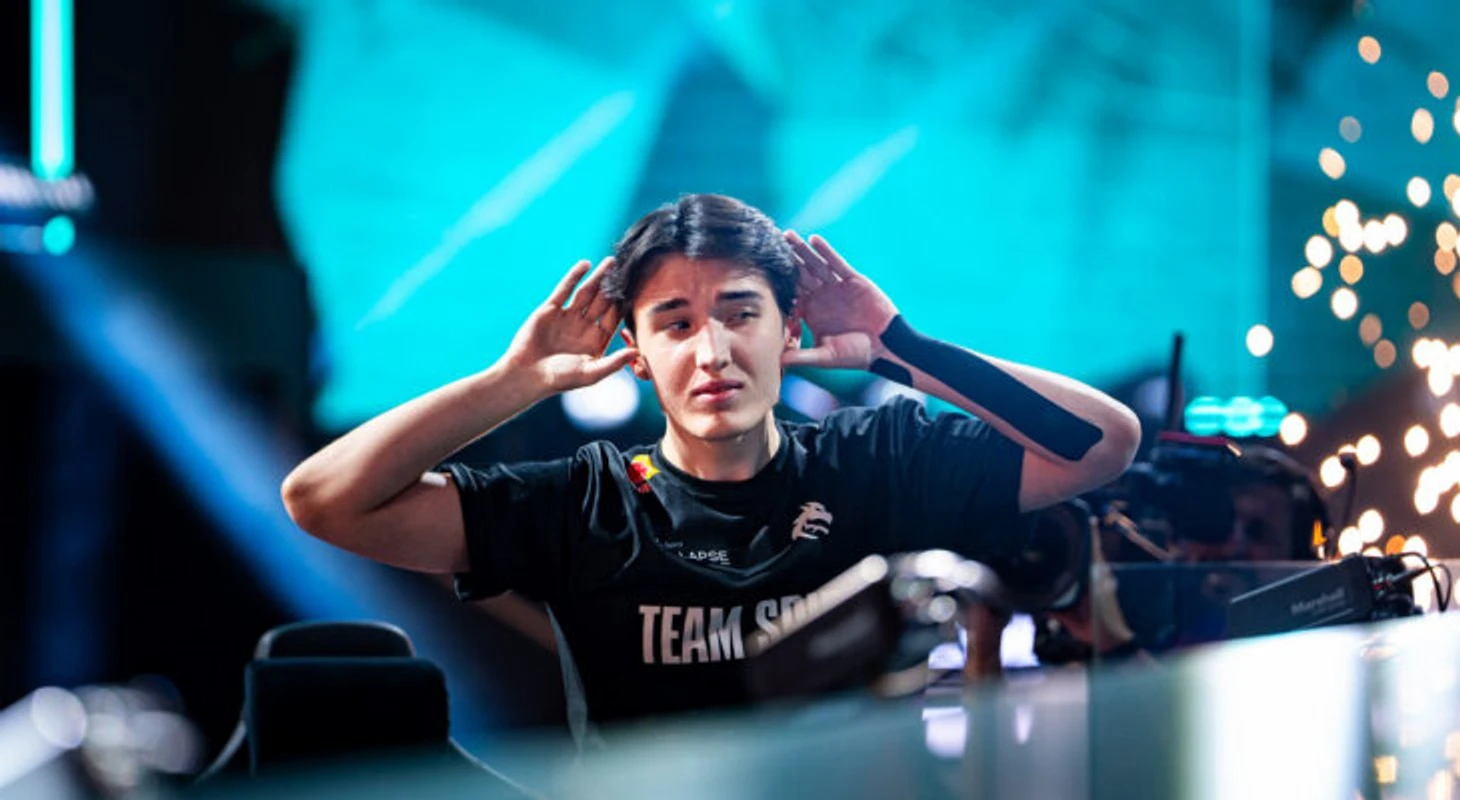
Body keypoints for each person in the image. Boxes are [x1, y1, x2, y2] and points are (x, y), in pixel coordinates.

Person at [281, 194, 1141, 737]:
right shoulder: (586, 501)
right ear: (637, 353)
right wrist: (512, 385)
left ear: (788, 330)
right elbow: (323, 500)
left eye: (740, 313)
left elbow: (1102, 442)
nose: (713, 351)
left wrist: (898, 349)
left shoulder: (874, 460)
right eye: (677, 324)